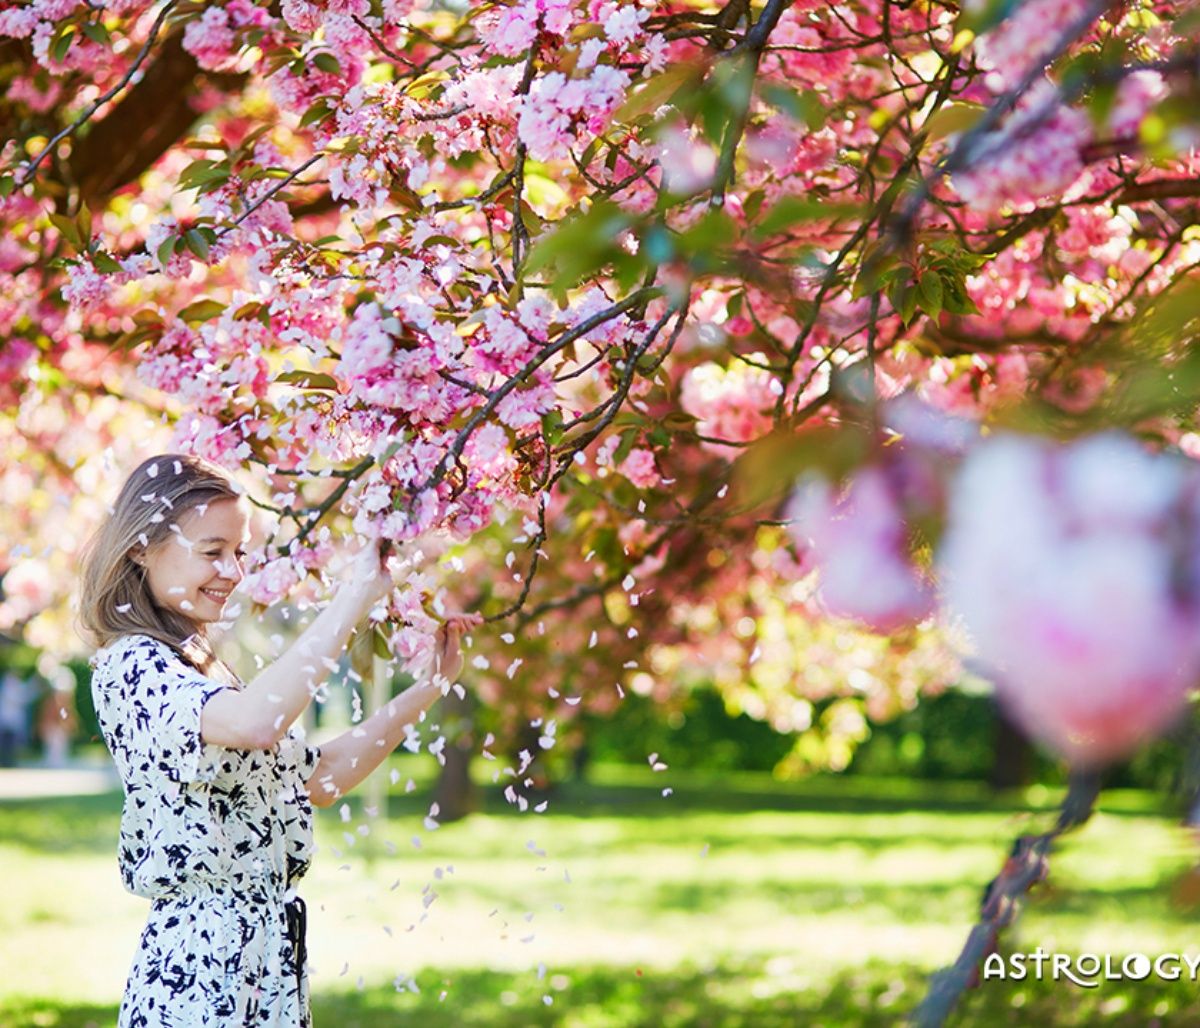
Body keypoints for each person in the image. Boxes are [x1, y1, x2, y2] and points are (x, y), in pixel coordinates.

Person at [77, 453, 474, 1028]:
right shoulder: (132, 665)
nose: (233, 572)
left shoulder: (205, 676)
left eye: (238, 553)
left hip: (268, 964)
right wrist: (353, 598)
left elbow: (323, 777)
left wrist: (432, 685)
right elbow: (255, 724)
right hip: (200, 970)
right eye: (212, 551)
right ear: (140, 546)